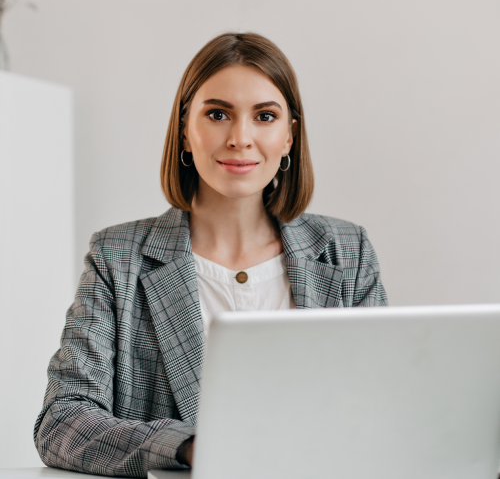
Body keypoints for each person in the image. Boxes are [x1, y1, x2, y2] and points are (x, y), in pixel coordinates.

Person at [34, 32, 388, 477]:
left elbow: (383, 410)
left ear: (289, 138)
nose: (240, 138)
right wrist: (189, 447)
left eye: (264, 116)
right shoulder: (116, 257)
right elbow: (62, 421)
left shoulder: (347, 253)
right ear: (185, 131)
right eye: (218, 114)